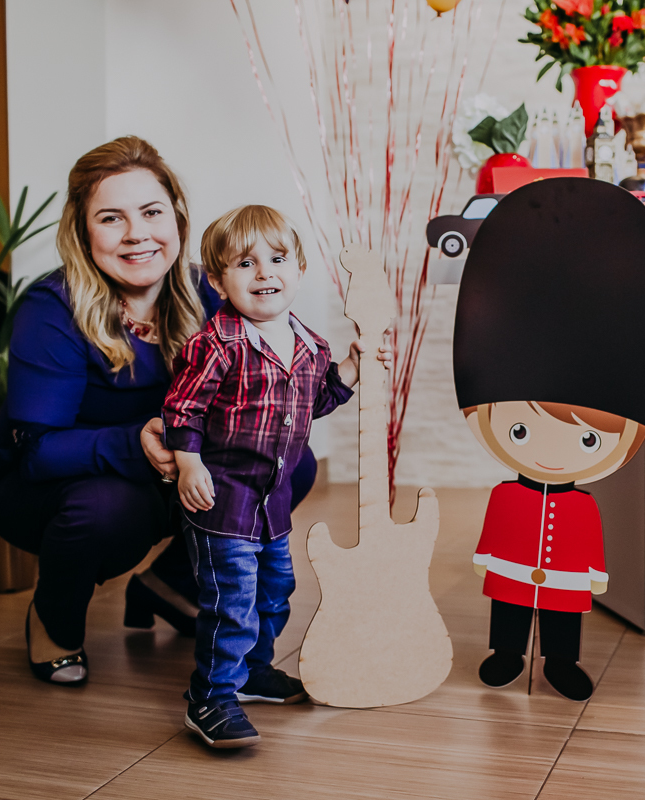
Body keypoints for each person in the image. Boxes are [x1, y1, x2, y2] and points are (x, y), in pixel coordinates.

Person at [0, 137, 320, 687]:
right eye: (112, 218)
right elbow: (36, 451)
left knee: (289, 463)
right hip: (50, 482)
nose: (137, 233)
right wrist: (134, 442)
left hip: (169, 465)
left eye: (152, 212)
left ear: (178, 219)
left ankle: (171, 586)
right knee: (107, 506)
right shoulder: (53, 309)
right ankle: (54, 622)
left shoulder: (206, 288)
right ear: (84, 232)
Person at [163, 205, 387, 748]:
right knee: (232, 599)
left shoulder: (310, 345)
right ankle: (211, 697)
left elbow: (316, 402)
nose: (265, 272)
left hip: (273, 505)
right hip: (223, 501)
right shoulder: (216, 343)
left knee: (275, 592)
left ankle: (254, 670)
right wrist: (188, 461)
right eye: (245, 263)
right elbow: (182, 409)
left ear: (299, 269)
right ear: (217, 280)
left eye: (277, 259)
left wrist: (351, 371)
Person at [451, 179, 645, 701]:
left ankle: (561, 662)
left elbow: (590, 549)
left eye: (589, 441)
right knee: (507, 609)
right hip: (508, 572)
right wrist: (486, 558)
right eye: (521, 430)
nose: (551, 453)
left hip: (566, 579)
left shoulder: (583, 507)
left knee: (563, 615)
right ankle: (506, 653)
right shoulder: (506, 495)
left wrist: (595, 576)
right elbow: (492, 536)